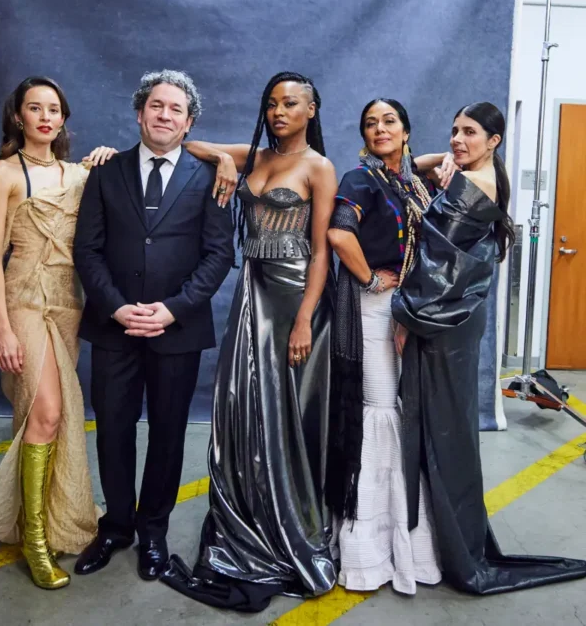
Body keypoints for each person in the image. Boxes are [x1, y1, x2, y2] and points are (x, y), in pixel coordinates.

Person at [158, 71, 340, 611]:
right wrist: (225, 160)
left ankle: (290, 522)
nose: (278, 111)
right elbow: (189, 142)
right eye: (271, 103)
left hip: (294, 301)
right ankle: (249, 513)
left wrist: (306, 318)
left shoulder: (318, 167)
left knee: (284, 415)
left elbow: (322, 251)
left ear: (311, 110)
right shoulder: (254, 157)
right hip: (251, 294)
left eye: (290, 104)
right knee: (243, 412)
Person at [392, 102, 586, 594]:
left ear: (494, 140)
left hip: (442, 321)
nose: (457, 139)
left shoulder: (472, 186)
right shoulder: (478, 177)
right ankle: (443, 539)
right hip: (455, 317)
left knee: (447, 429)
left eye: (470, 132)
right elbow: (409, 167)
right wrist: (454, 159)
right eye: (454, 130)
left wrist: (403, 315)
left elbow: (433, 270)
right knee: (448, 426)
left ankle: (456, 550)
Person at [72, 70, 235, 581]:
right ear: (139, 113)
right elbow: (87, 249)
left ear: (188, 124)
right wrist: (117, 307)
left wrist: (174, 308)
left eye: (176, 110)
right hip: (113, 324)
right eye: (156, 106)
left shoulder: (210, 177)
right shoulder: (105, 171)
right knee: (113, 430)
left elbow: (218, 254)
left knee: (167, 433)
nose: (165, 115)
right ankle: (116, 525)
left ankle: (154, 532)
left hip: (177, 329)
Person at [0, 77, 99, 589]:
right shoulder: (1, 173)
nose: (45, 116)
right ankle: (36, 542)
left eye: (54, 109)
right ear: (17, 116)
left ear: (63, 118)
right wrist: (2, 329)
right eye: (34, 108)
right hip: (23, 299)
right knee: (47, 411)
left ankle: (40, 516)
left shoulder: (79, 174)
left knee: (53, 414)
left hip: (68, 301)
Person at [326, 98, 443, 594]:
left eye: (389, 121)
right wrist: (373, 279)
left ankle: (410, 547)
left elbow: (424, 162)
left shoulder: (408, 181)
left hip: (407, 314)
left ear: (406, 129)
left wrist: (444, 159)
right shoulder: (360, 180)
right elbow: (337, 233)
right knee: (378, 412)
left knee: (402, 410)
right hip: (373, 310)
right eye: (370, 123)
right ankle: (368, 555)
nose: (379, 128)